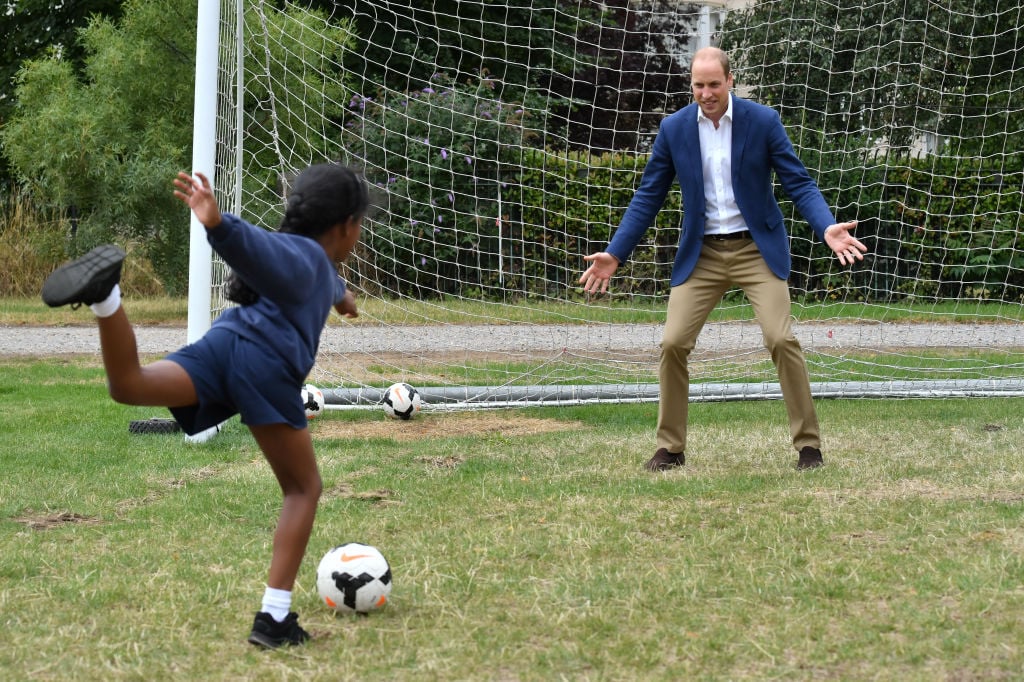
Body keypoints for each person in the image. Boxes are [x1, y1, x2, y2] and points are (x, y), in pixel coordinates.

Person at [40, 163, 368, 648]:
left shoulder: (314, 264)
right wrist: (218, 223)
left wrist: (341, 298)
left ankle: (106, 297)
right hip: (265, 366)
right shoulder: (302, 257)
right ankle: (274, 619)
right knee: (303, 489)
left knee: (130, 386)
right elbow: (260, 249)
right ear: (346, 226)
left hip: (227, 344)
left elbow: (313, 274)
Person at [579, 46, 867, 472]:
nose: (706, 93)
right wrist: (616, 253)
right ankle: (670, 448)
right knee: (672, 343)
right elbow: (648, 196)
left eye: (714, 84)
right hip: (703, 254)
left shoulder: (763, 121)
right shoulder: (674, 129)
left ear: (730, 81)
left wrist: (826, 226)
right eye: (698, 85)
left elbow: (799, 182)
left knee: (781, 339)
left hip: (756, 249)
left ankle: (809, 446)